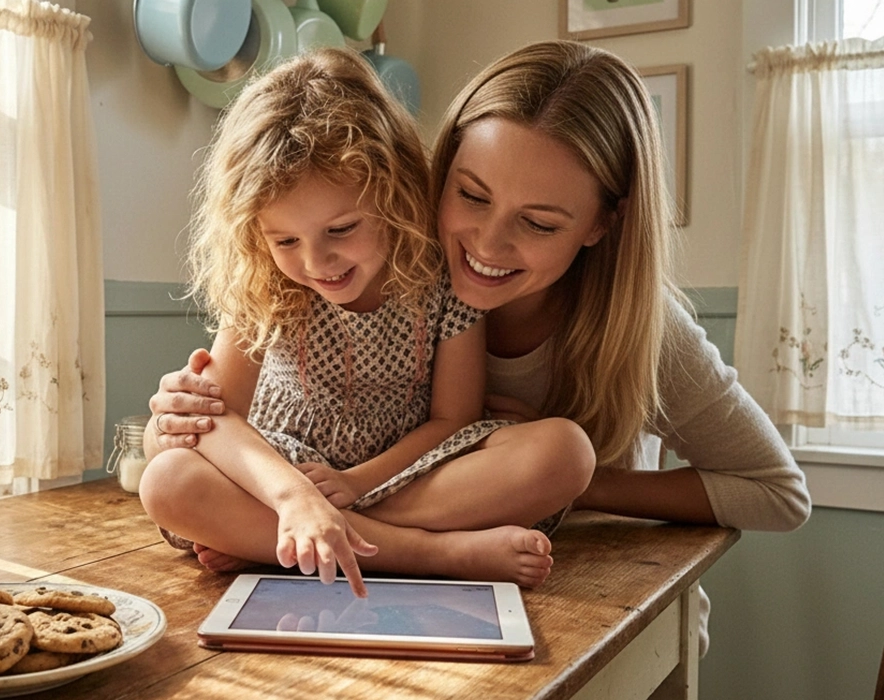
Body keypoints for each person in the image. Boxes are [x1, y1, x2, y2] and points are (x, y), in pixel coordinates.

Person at [145, 40, 811, 652]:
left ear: (604, 223)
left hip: (596, 610)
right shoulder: (368, 252)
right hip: (354, 549)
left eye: (539, 222)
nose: (486, 247)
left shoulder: (629, 320)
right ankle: (337, 542)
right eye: (470, 195)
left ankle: (307, 541)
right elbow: (201, 432)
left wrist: (577, 490)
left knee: (561, 452)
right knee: (170, 475)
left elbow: (778, 493)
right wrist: (196, 435)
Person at [137, 47, 597, 599]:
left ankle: (279, 543)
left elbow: (453, 419)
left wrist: (354, 485)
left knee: (566, 452)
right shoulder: (268, 285)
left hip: (405, 474)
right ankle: (430, 554)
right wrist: (293, 498)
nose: (315, 262)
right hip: (284, 474)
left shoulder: (440, 279)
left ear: (391, 192)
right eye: (285, 240)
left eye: (341, 229)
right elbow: (218, 419)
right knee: (166, 478)